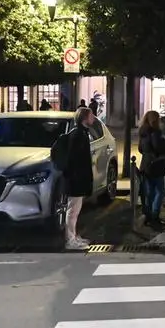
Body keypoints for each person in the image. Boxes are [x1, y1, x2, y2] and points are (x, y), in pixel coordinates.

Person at [63, 107, 96, 250]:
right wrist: (78, 177)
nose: (93, 118)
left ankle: (74, 236)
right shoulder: (78, 135)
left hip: (77, 178)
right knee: (72, 210)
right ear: (84, 118)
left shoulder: (81, 133)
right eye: (91, 116)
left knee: (75, 210)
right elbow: (75, 160)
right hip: (75, 179)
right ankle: (70, 239)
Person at [138, 111, 165, 225]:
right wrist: (164, 143)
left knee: (149, 192)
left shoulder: (143, 131)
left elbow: (141, 148)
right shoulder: (156, 132)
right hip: (156, 164)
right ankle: (155, 216)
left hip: (145, 165)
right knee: (159, 191)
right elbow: (158, 148)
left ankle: (148, 215)